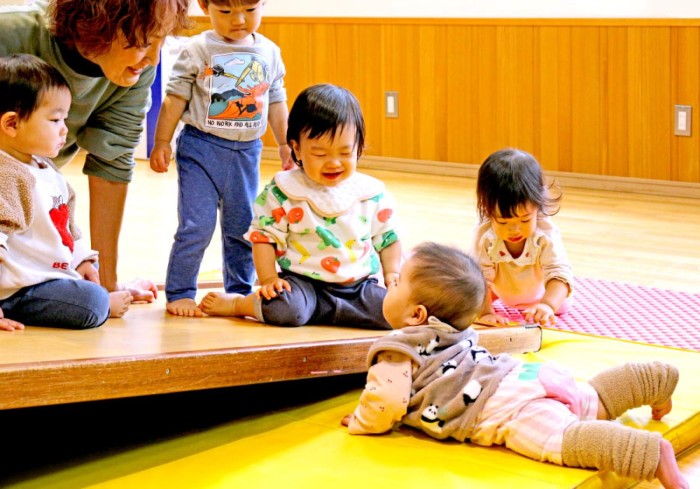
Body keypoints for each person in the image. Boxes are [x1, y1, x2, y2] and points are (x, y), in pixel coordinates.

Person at [342, 242, 688, 489]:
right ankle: (655, 379)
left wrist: (363, 420)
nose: (389, 284)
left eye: (396, 282)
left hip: (506, 408)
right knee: (591, 399)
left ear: (416, 315)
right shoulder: (456, 331)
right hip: (523, 375)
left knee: (565, 439)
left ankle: (649, 453)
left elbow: (386, 401)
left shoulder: (398, 349)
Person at [0, 0, 192, 302]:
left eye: (162, 40)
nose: (154, 59)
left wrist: (108, 285)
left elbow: (111, 163)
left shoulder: (138, 71)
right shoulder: (9, 33)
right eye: (144, 42)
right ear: (96, 23)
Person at [199, 83, 402, 329]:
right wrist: (269, 279)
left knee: (396, 312)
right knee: (285, 309)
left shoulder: (370, 194)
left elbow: (388, 238)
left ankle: (335, 312)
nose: (334, 163)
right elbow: (264, 238)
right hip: (303, 287)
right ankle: (239, 304)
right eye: (320, 154)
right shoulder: (284, 192)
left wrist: (392, 273)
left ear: (358, 146)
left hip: (358, 288)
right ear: (296, 148)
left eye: (345, 153)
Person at [150, 0, 293, 317]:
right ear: (205, 6)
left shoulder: (269, 52)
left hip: (246, 153)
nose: (238, 20)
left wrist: (285, 143)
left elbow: (276, 99)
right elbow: (175, 97)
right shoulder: (197, 49)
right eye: (226, 12)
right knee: (196, 226)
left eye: (250, 10)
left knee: (242, 227)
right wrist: (161, 141)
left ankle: (238, 292)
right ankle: (180, 292)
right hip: (201, 149)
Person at [0, 54, 133, 332]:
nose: (64, 130)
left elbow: (67, 228)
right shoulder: (7, 175)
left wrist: (81, 260)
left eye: (65, 119)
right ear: (12, 124)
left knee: (91, 283)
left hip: (46, 277)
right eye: (55, 119)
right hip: (16, 290)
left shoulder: (44, 167)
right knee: (93, 303)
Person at [469, 148, 573, 326]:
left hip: (541, 293)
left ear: (538, 206)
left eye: (525, 219)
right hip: (499, 289)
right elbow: (478, 277)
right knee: (467, 293)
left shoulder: (544, 234)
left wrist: (547, 305)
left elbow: (559, 272)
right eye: (503, 221)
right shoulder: (485, 235)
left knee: (560, 303)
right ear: (487, 210)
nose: (514, 230)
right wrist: (486, 313)